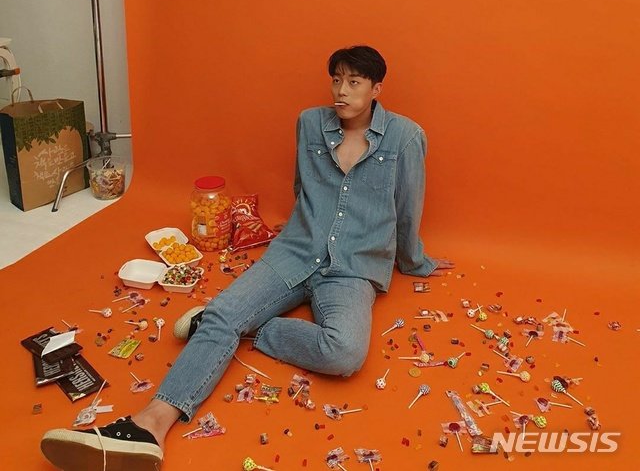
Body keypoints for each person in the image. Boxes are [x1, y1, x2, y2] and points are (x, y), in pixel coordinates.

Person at [41, 45, 453, 470]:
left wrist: (413, 260)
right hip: (297, 250)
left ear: (376, 89)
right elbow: (303, 186)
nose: (341, 91)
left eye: (354, 82)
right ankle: (149, 427)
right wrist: (304, 227)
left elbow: (408, 207)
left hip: (353, 266)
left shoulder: (406, 137)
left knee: (344, 353)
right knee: (226, 315)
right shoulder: (310, 123)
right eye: (336, 80)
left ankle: (237, 326)